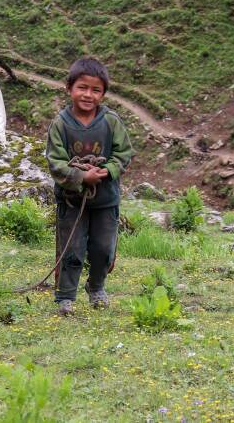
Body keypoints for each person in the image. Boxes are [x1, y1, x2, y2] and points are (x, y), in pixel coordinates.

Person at [45, 57, 134, 316]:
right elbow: (55, 162)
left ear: (103, 94)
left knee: (103, 248)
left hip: (105, 199)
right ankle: (65, 297)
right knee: (71, 248)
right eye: (82, 87)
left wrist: (110, 170)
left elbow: (124, 152)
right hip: (72, 201)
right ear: (69, 88)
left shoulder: (111, 122)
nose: (88, 94)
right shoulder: (60, 124)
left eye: (96, 90)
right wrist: (81, 177)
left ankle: (96, 288)